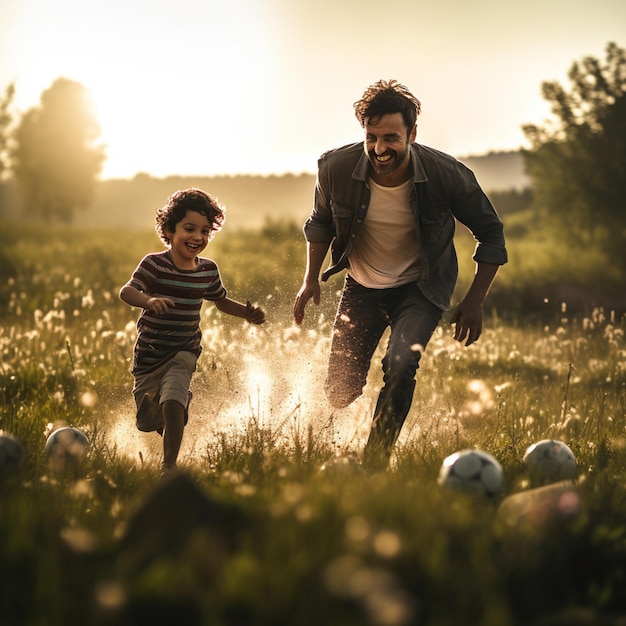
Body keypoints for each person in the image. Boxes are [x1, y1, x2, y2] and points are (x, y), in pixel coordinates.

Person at [293, 79, 507, 470]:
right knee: (339, 392)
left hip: (420, 289)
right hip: (360, 286)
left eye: (391, 137)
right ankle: (357, 417)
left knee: (402, 365)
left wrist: (475, 300)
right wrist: (310, 278)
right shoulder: (335, 168)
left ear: (412, 133)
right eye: (371, 137)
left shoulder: (447, 175)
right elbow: (320, 222)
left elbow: (491, 232)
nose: (379, 148)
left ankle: (374, 464)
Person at [120, 187, 265, 474]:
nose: (197, 237)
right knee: (149, 420)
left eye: (205, 230)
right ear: (169, 230)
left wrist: (246, 314)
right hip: (149, 358)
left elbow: (220, 301)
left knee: (172, 401)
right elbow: (128, 291)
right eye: (189, 228)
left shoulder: (207, 271)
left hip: (183, 352)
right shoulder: (154, 265)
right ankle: (170, 416)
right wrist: (148, 300)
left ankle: (168, 467)